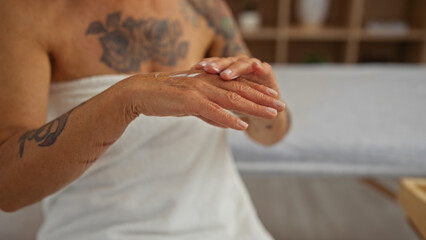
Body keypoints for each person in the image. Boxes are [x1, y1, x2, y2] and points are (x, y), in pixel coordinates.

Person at [0, 0, 290, 239]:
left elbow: (272, 135)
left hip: (227, 229)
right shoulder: (26, 12)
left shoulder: (207, 9)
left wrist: (266, 103)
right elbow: (8, 188)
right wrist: (126, 98)